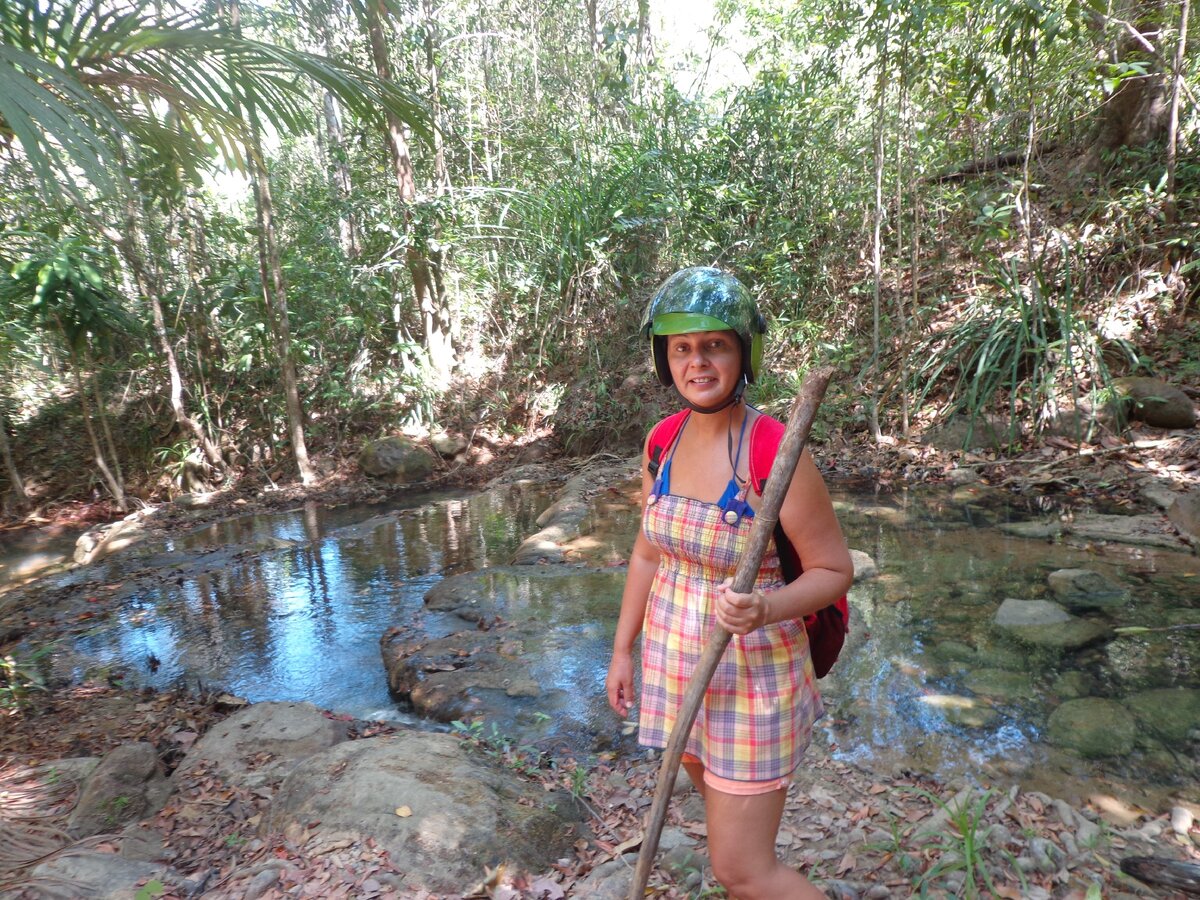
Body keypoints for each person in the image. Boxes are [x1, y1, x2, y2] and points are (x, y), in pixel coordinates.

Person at [606, 267, 854, 900]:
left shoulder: (773, 449)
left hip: (752, 673)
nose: (698, 361)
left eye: (715, 344)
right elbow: (645, 553)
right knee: (730, 846)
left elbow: (833, 571)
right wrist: (622, 649)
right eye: (682, 348)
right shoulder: (662, 441)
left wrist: (765, 606)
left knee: (742, 869)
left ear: (744, 352)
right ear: (664, 358)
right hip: (673, 666)